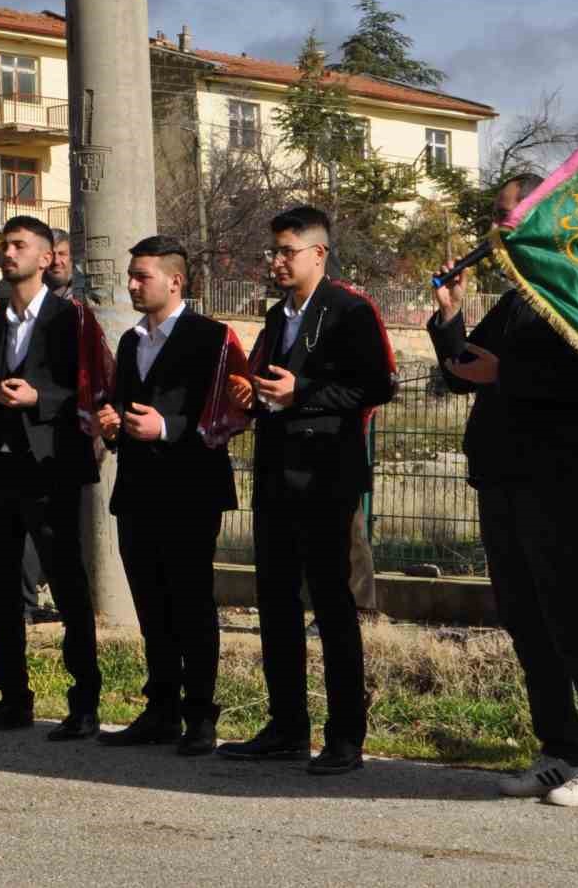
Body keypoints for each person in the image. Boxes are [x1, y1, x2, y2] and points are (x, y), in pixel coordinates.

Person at [426, 173, 578, 808]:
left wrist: (506, 373)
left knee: (568, 618)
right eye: (495, 216)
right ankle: (560, 752)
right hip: (499, 474)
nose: (500, 227)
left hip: (551, 477)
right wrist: (448, 317)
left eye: (510, 215)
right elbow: (465, 371)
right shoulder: (519, 295)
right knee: (526, 620)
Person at [217, 206, 394, 775]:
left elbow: (376, 385)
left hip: (325, 478)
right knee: (275, 603)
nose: (276, 261)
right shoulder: (278, 315)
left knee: (332, 604)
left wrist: (305, 392)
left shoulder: (349, 310)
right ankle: (287, 726)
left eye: (286, 251)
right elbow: (273, 383)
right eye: (273, 251)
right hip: (275, 472)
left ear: (318, 254)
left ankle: (345, 736)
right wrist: (254, 393)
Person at [95, 236, 245, 755]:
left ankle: (200, 715)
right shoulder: (132, 340)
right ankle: (160, 709)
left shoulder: (212, 338)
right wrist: (112, 423)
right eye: (131, 275)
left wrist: (167, 426)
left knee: (191, 604)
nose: (132, 284)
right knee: (151, 605)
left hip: (190, 491)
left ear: (175, 281)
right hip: (137, 491)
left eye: (143, 276)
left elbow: (228, 414)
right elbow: (120, 405)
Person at [0, 216, 103, 739]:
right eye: (5, 244)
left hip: (51, 468)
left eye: (19, 245)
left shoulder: (72, 320)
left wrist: (41, 399)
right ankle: (12, 697)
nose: (8, 252)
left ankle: (84, 702)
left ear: (46, 258)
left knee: (66, 585)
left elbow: (93, 391)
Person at [46, 228, 76, 300]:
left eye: (62, 254)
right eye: (51, 255)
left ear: (71, 257)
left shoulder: (82, 295)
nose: (56, 261)